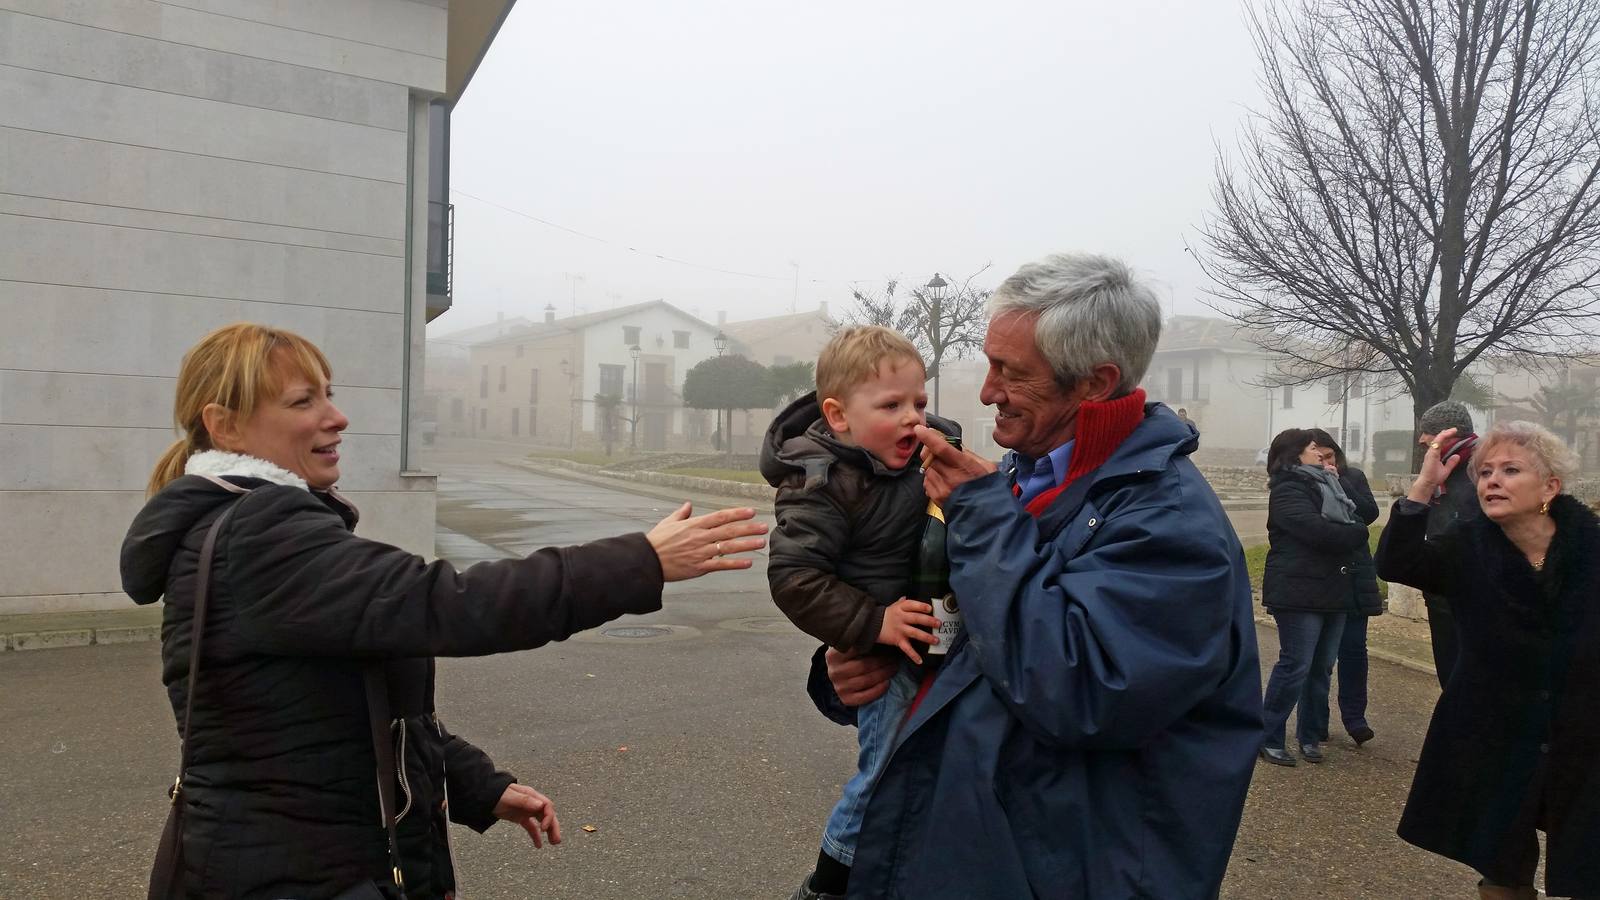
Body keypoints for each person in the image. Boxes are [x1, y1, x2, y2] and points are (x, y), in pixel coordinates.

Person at [121, 323, 767, 899]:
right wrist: (642, 561)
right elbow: (451, 604)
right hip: (293, 874)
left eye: (329, 392)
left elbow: (350, 715)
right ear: (225, 426)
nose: (337, 416)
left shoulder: (248, 527)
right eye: (303, 401)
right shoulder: (260, 534)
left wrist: (479, 787)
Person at [812, 253, 1263, 898]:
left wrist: (984, 517)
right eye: (989, 363)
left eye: (1010, 372)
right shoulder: (1021, 477)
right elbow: (966, 628)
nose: (987, 391)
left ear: (1094, 384)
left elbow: (1080, 688)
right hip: (976, 853)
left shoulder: (1171, 524)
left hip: (1075, 872)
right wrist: (861, 655)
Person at [759, 325, 959, 900]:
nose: (912, 417)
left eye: (919, 403)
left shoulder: (928, 456)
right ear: (839, 416)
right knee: (885, 777)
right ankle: (830, 882)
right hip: (884, 652)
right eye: (891, 405)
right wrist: (874, 623)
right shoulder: (820, 481)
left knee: (923, 773)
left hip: (934, 637)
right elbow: (795, 577)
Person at [1376, 422, 1600, 899]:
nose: (1491, 481)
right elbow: (1396, 564)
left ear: (1550, 486)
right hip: (1493, 731)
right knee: (1502, 859)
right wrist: (1422, 488)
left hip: (1583, 732)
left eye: (1510, 470)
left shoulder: (1592, 550)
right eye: (1485, 473)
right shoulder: (1466, 547)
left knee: (1587, 859)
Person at [1256, 428, 1371, 766]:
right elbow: (1318, 532)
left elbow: (1361, 513)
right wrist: (1355, 533)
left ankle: (1308, 736)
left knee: (1321, 667)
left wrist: (1352, 522)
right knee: (1295, 665)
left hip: (1333, 588)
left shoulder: (1330, 483)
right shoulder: (1287, 489)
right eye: (1312, 449)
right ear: (1294, 455)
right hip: (1297, 590)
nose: (1320, 453)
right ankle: (1269, 735)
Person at [1308, 428, 1382, 747]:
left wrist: (1340, 481)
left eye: (1330, 455)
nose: (1326, 461)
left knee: (1353, 650)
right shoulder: (1300, 483)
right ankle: (1316, 720)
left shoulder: (1353, 476)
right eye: (1318, 456)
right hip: (1321, 578)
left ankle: (1355, 718)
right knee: (1318, 656)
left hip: (1354, 575)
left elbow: (1369, 513)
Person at [1415, 400, 1481, 687]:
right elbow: (1391, 559)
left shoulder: (1480, 472)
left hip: (1469, 597)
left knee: (1468, 682)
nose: (1421, 440)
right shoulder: (1440, 473)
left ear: (1449, 434)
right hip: (1441, 594)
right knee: (1451, 679)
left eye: (1428, 432)